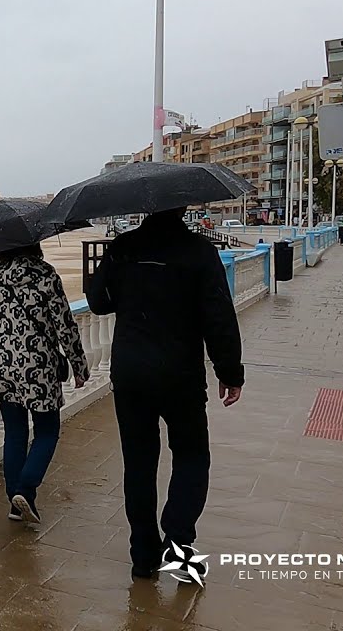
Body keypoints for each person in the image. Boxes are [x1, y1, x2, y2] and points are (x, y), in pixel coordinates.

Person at [86, 208, 243, 579]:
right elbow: (218, 316)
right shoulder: (199, 251)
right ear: (184, 208)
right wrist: (230, 372)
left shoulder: (123, 247)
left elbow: (98, 301)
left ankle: (143, 556)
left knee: (138, 464)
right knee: (191, 457)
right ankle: (178, 542)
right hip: (181, 376)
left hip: (131, 375)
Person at [0, 243, 89, 525]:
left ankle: (16, 502)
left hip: (2, 368)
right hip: (38, 368)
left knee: (15, 434)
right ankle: (25, 490)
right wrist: (78, 364)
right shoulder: (45, 275)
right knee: (47, 432)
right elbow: (65, 326)